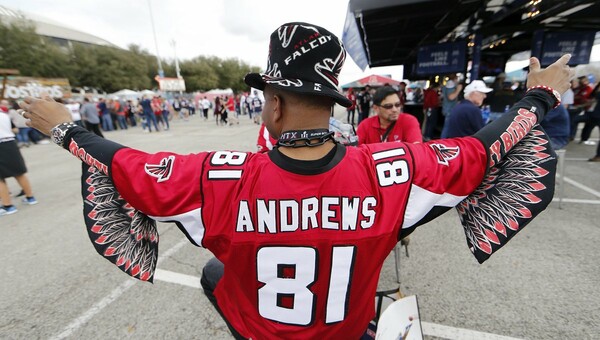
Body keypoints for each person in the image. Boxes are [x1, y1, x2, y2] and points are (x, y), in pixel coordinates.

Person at [20, 22, 573, 339]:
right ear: (332, 101)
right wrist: (539, 95)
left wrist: (61, 127)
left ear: (275, 106)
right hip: (344, 330)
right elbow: (486, 147)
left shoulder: (214, 179)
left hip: (262, 331)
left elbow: (119, 163)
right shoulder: (395, 175)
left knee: (217, 270)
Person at [0, 100, 38, 216]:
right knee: (19, 173)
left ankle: (8, 206)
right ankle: (30, 197)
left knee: (0, 178)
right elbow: (15, 129)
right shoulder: (4, 115)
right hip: (10, 143)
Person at [356, 86, 422, 144]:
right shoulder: (365, 126)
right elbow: (355, 152)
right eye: (388, 106)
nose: (395, 110)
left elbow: (417, 150)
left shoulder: (408, 121)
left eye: (397, 105)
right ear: (376, 108)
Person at [440, 73, 464, 138]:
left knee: (447, 128)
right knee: (447, 129)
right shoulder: (451, 85)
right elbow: (451, 97)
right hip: (450, 110)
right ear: (455, 78)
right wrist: (458, 90)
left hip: (447, 109)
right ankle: (442, 143)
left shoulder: (446, 85)